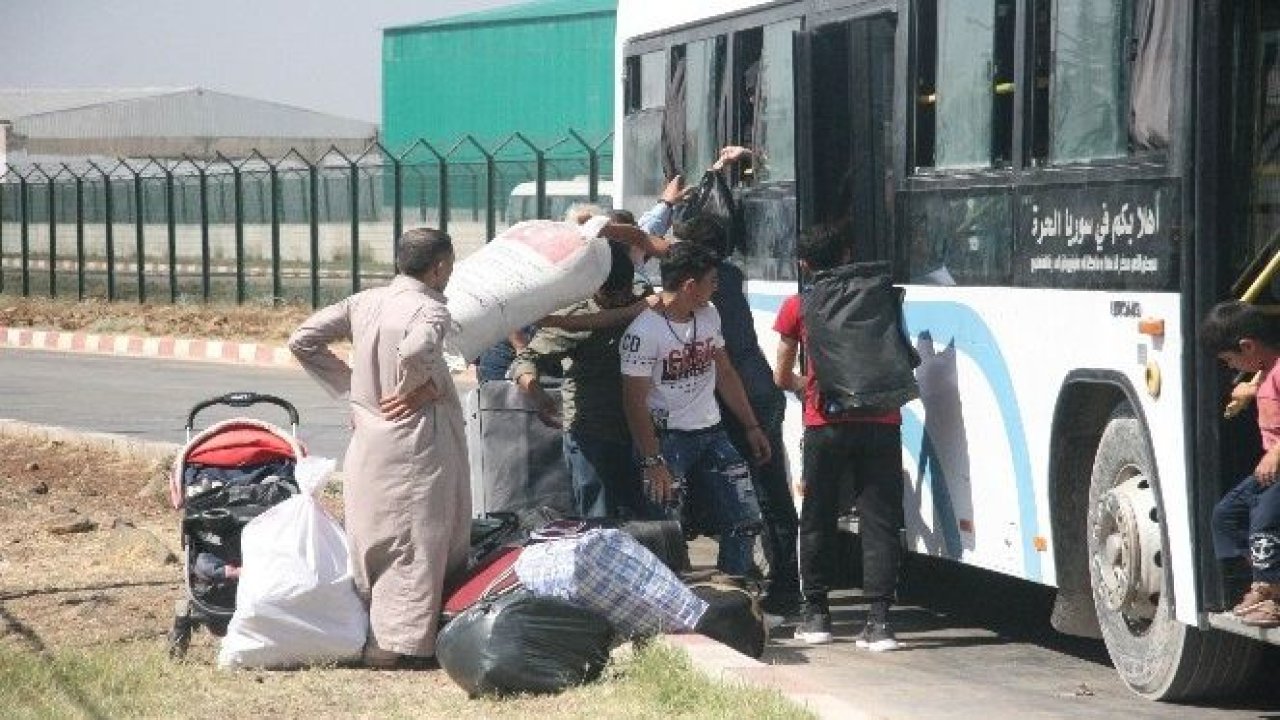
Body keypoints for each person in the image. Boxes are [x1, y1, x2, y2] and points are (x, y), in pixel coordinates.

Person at [288, 227, 470, 668]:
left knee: (378, 537)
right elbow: (417, 349)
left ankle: (377, 633)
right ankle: (399, 647)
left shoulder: (364, 301)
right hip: (415, 443)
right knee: (416, 542)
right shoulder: (428, 309)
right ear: (440, 267)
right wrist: (419, 386)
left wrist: (352, 387)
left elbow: (303, 339)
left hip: (369, 440)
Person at [773, 224, 905, 650]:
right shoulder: (879, 296)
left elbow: (780, 375)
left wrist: (802, 384)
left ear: (804, 264)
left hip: (825, 424)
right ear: (848, 255)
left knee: (817, 518)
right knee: (880, 520)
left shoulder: (798, 305)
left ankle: (816, 616)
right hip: (881, 420)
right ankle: (881, 623)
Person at [620, 241, 769, 575]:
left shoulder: (709, 315)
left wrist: (751, 426)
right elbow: (634, 402)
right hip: (665, 442)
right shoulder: (644, 332)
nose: (717, 288)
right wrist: (652, 460)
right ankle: (671, 615)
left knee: (745, 520)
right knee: (666, 533)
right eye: (712, 281)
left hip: (713, 434)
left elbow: (725, 372)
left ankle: (734, 598)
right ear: (690, 285)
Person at [511, 241, 652, 519]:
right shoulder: (572, 317)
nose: (620, 299)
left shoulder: (642, 296)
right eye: (611, 295)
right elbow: (525, 360)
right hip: (593, 433)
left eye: (625, 292)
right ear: (594, 288)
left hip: (639, 430)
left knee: (649, 521)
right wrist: (537, 394)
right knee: (598, 520)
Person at [1200, 300, 1280, 627]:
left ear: (1247, 346)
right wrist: (1247, 392)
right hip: (1271, 469)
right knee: (1227, 516)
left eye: (1231, 360)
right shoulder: (1265, 369)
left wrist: (1275, 453)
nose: (1234, 366)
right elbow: (1264, 387)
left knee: (1263, 521)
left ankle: (1274, 595)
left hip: (1276, 463)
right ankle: (1266, 579)